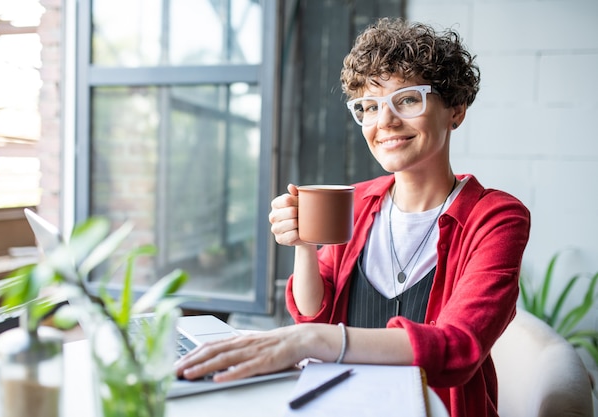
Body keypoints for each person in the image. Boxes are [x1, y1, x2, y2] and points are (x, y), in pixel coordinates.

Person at [175, 17, 530, 417]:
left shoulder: (496, 217)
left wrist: (308, 340)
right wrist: (304, 246)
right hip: (342, 405)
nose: (385, 122)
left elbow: (457, 347)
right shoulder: (359, 201)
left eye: (408, 99)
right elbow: (316, 313)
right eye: (369, 106)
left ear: (456, 110)